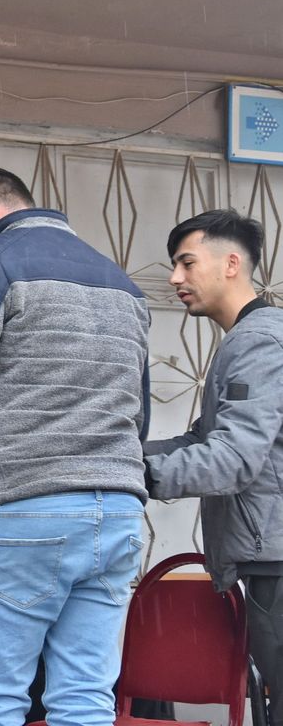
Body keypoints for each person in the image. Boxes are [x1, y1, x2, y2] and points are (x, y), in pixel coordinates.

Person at [0, 166, 150, 726]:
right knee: (86, 700)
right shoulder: (121, 281)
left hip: (20, 508)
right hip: (115, 513)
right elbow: (139, 411)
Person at [144, 209, 283, 723]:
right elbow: (202, 440)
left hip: (274, 562)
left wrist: (134, 476)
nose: (174, 278)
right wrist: (115, 455)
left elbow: (233, 459)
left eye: (186, 263)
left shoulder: (259, 341)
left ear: (231, 264)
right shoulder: (247, 339)